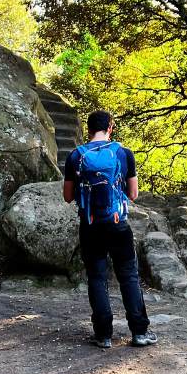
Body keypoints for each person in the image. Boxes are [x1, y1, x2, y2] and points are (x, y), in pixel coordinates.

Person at [63, 110, 157, 350]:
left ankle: (103, 335)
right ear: (110, 128)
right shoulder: (124, 154)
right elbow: (133, 194)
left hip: (90, 226)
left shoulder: (75, 156)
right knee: (129, 276)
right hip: (118, 225)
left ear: (88, 129)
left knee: (97, 277)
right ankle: (139, 332)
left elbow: (67, 196)